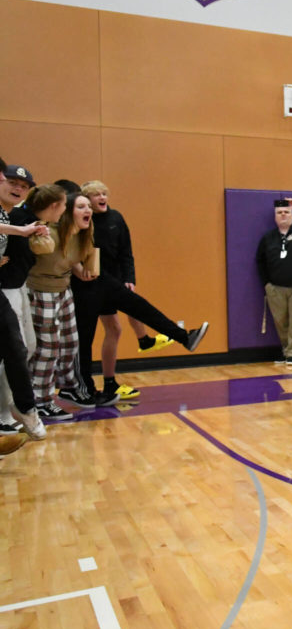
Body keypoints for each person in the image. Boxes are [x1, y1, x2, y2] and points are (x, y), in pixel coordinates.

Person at [77, 180, 169, 402]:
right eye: (95, 195)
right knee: (114, 328)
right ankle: (109, 380)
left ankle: (140, 344)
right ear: (86, 201)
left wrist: (129, 277)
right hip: (96, 282)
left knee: (123, 315)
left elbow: (127, 251)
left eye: (104, 193)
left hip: (116, 279)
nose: (101, 197)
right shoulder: (83, 224)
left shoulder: (116, 218)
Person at [26, 189, 94, 420]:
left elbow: (72, 260)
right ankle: (40, 400)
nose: (88, 211)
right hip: (41, 291)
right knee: (48, 348)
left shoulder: (81, 235)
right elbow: (40, 248)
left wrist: (83, 270)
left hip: (64, 291)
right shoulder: (50, 232)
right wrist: (38, 232)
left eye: (89, 207)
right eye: (81, 207)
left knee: (70, 342)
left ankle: (66, 387)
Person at [0, 162, 49, 441]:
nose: (17, 188)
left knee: (16, 347)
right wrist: (23, 231)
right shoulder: (13, 221)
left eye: (23, 186)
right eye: (11, 182)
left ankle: (25, 409)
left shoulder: (11, 216)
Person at [256, 197, 292, 369]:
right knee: (281, 322)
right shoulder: (268, 238)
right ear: (275, 216)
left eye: (286, 212)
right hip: (276, 287)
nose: (283, 215)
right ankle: (286, 350)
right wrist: (267, 284)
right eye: (279, 213)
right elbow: (260, 261)